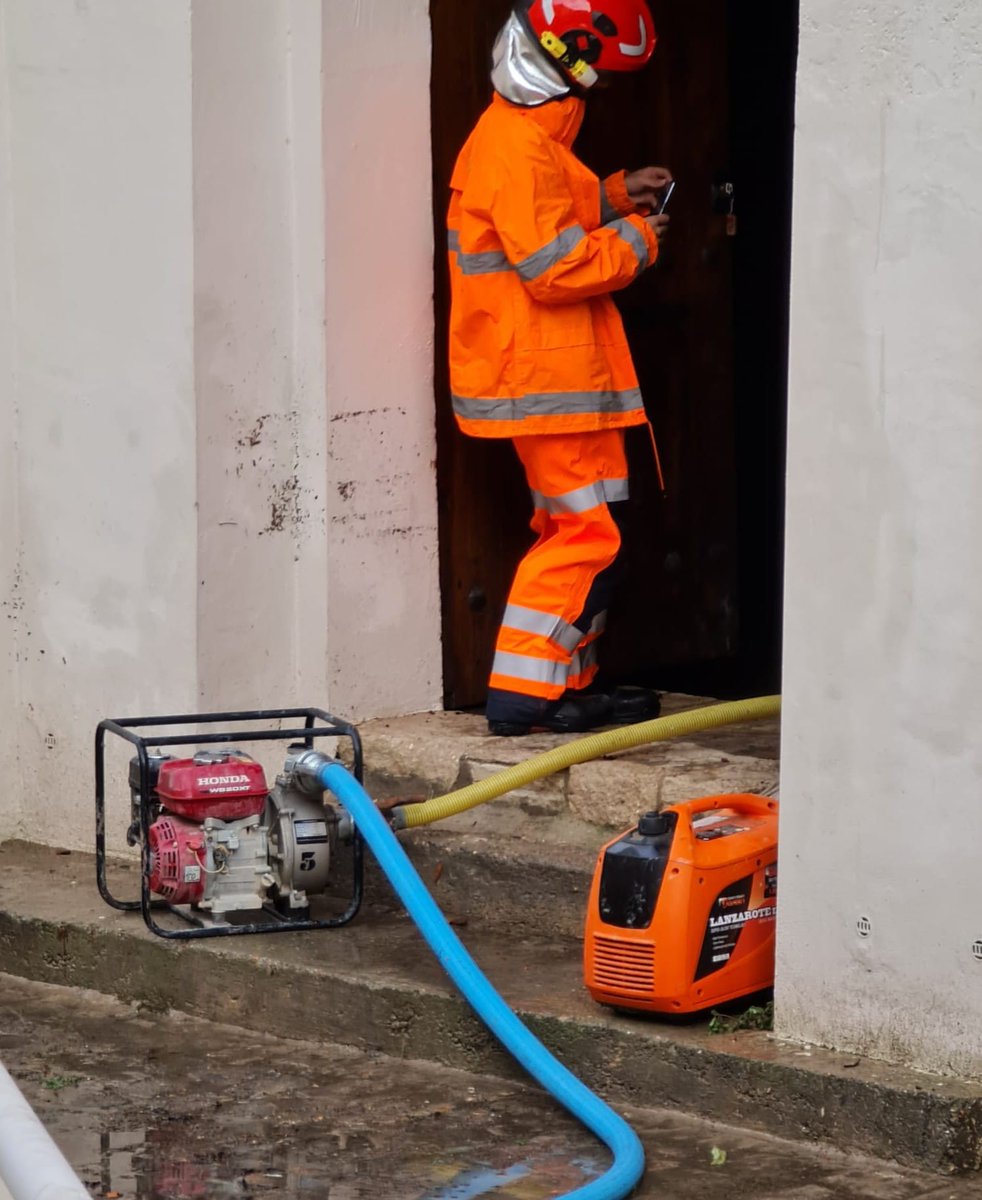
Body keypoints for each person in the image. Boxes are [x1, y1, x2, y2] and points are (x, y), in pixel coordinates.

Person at [447, 0, 672, 737]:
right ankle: (524, 698)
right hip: (544, 382)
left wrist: (612, 195)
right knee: (584, 536)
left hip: (561, 383)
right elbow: (550, 267)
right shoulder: (513, 146)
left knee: (579, 529)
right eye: (597, 77)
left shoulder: (527, 138)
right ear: (566, 68)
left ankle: (565, 687)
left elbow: (550, 208)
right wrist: (637, 239)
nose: (597, 89)